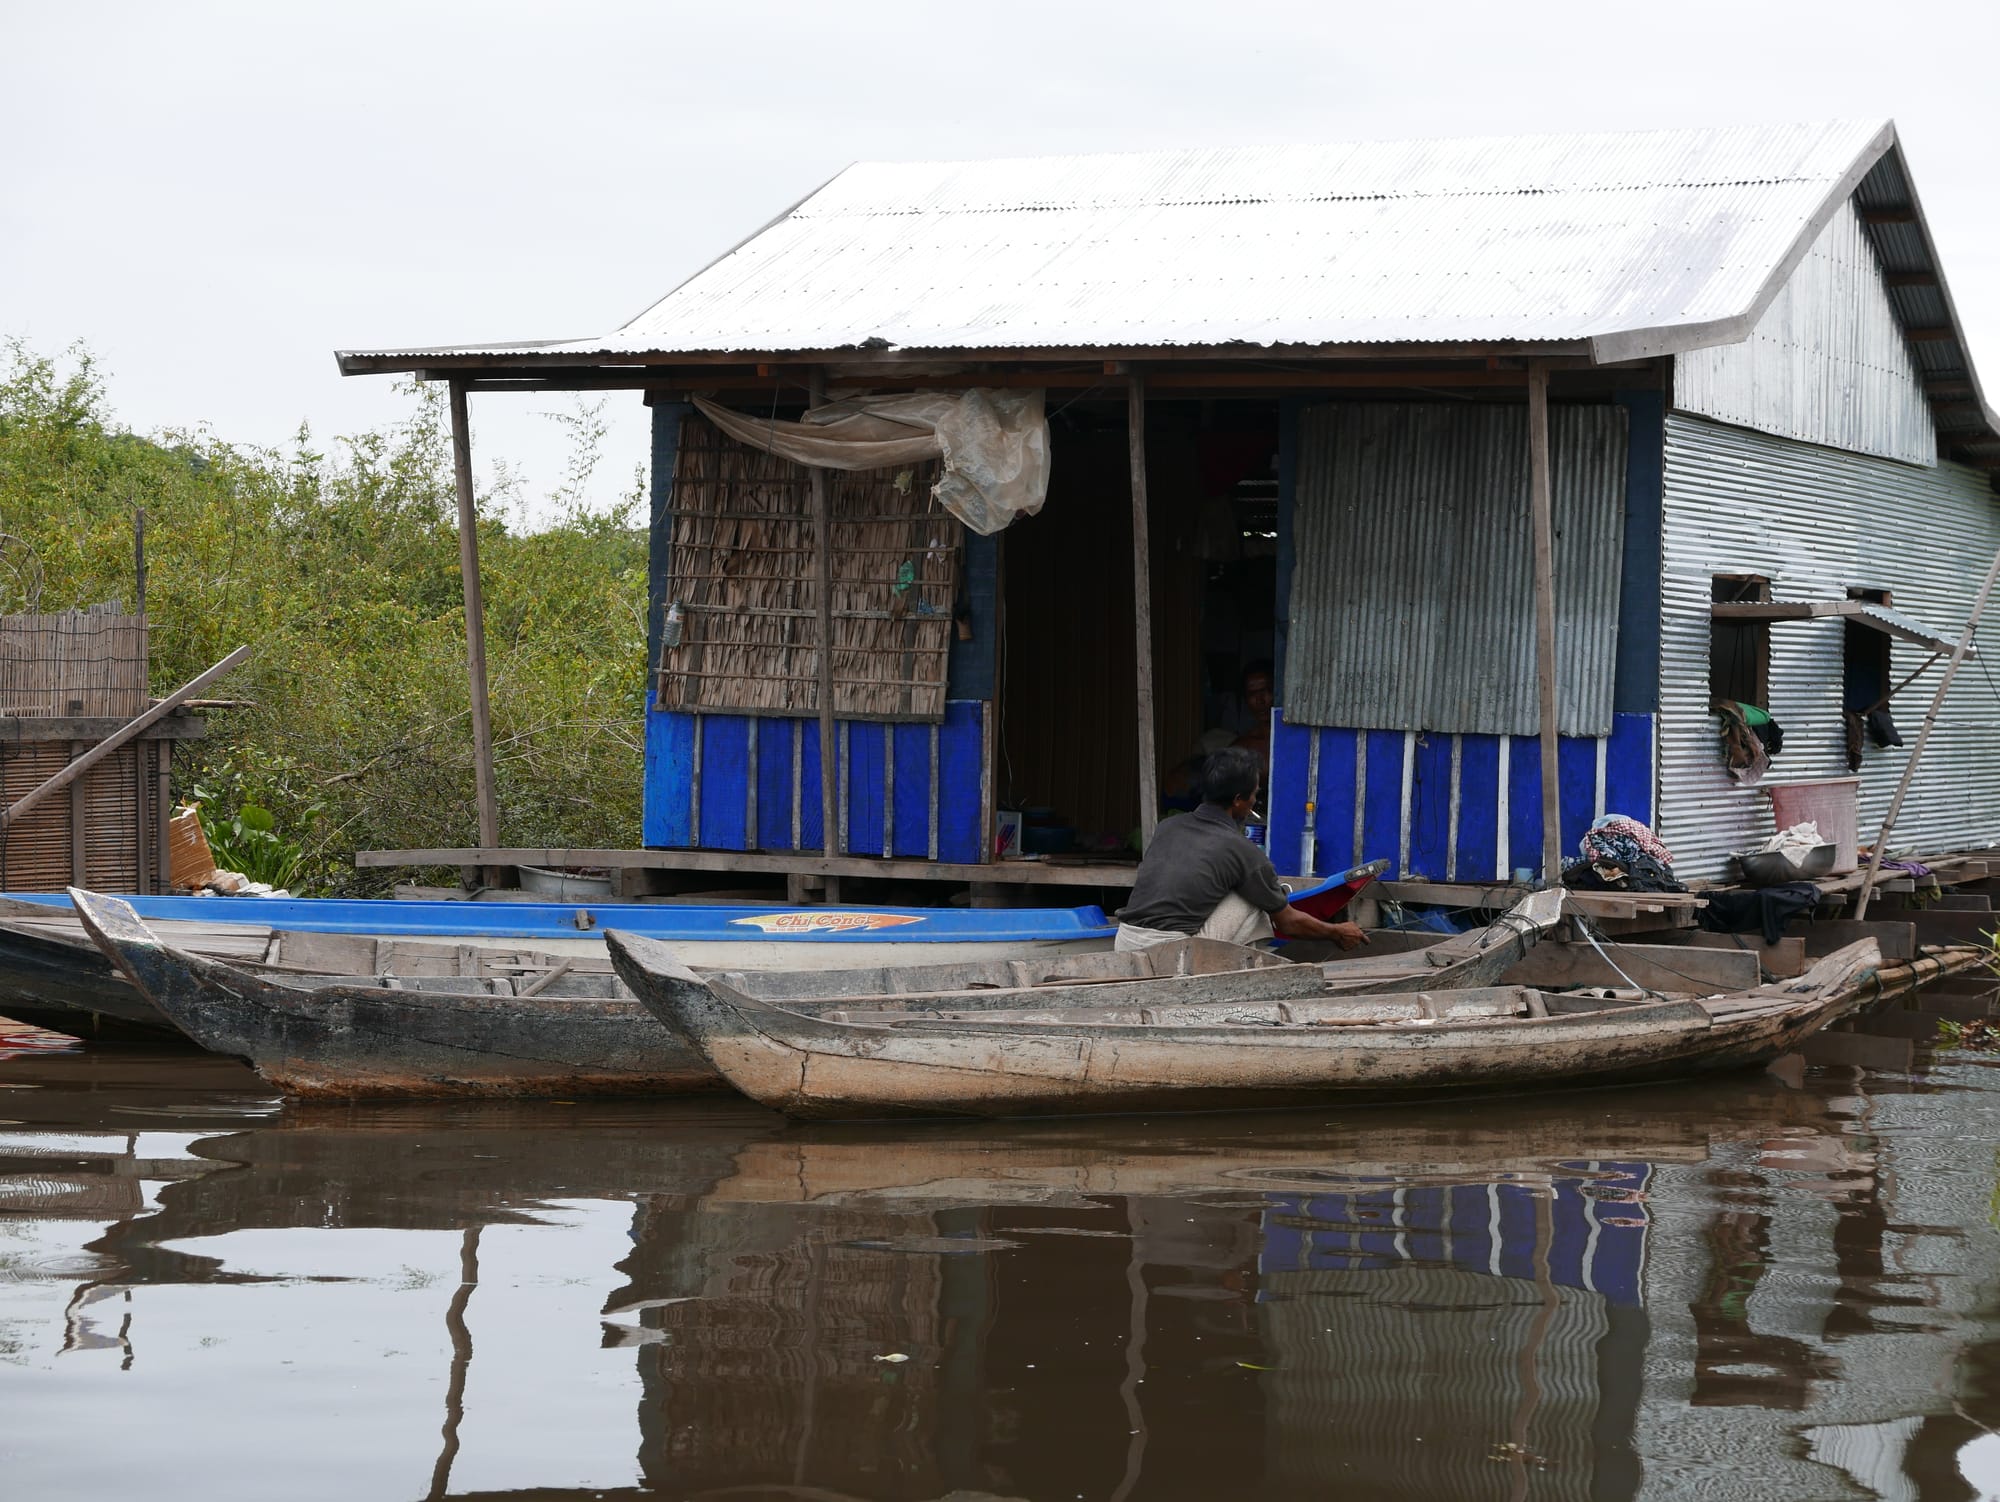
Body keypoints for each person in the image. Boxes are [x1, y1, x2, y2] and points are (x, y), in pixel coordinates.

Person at [1116, 747, 1369, 952]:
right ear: (1238, 800)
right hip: (1171, 952)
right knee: (1254, 899)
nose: (1254, 801)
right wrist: (1336, 932)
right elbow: (1288, 923)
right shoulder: (1243, 851)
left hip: (1125, 941)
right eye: (1254, 795)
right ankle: (1235, 971)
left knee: (1247, 889)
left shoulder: (1167, 827)